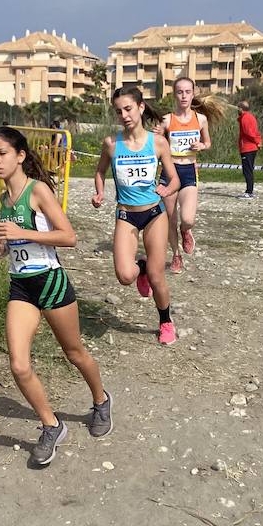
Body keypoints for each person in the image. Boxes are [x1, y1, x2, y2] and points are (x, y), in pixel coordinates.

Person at [0, 125, 112, 467]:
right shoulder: (4, 198)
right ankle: (51, 425)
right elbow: (16, 244)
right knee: (18, 364)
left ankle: (100, 400)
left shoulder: (37, 191)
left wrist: (20, 232)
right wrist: (0, 246)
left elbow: (68, 237)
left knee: (74, 353)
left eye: (2, 153)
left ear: (20, 156)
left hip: (51, 281)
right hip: (21, 285)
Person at [92, 85, 181, 345]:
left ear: (141, 108)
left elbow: (174, 178)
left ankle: (165, 321)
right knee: (125, 276)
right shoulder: (111, 144)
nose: (125, 115)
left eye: (129, 109)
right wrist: (99, 193)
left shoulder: (158, 142)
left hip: (154, 213)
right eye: (119, 112)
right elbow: (99, 172)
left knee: (157, 275)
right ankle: (139, 267)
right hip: (126, 215)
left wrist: (167, 188)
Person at [159, 77, 222, 274]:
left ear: (193, 93)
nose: (184, 96)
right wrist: (157, 135)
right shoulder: (167, 120)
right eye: (180, 92)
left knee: (187, 218)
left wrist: (201, 146)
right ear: (174, 94)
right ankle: (176, 255)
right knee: (170, 219)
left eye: (187, 92)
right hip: (169, 172)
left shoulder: (200, 119)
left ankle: (186, 231)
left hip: (188, 171)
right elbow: (156, 144)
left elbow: (208, 143)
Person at [237, 100, 262, 198]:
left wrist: (257, 141)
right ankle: (249, 190)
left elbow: (249, 133)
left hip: (248, 148)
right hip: (251, 147)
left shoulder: (245, 118)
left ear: (241, 108)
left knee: (247, 170)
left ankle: (249, 191)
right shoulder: (249, 117)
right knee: (248, 170)